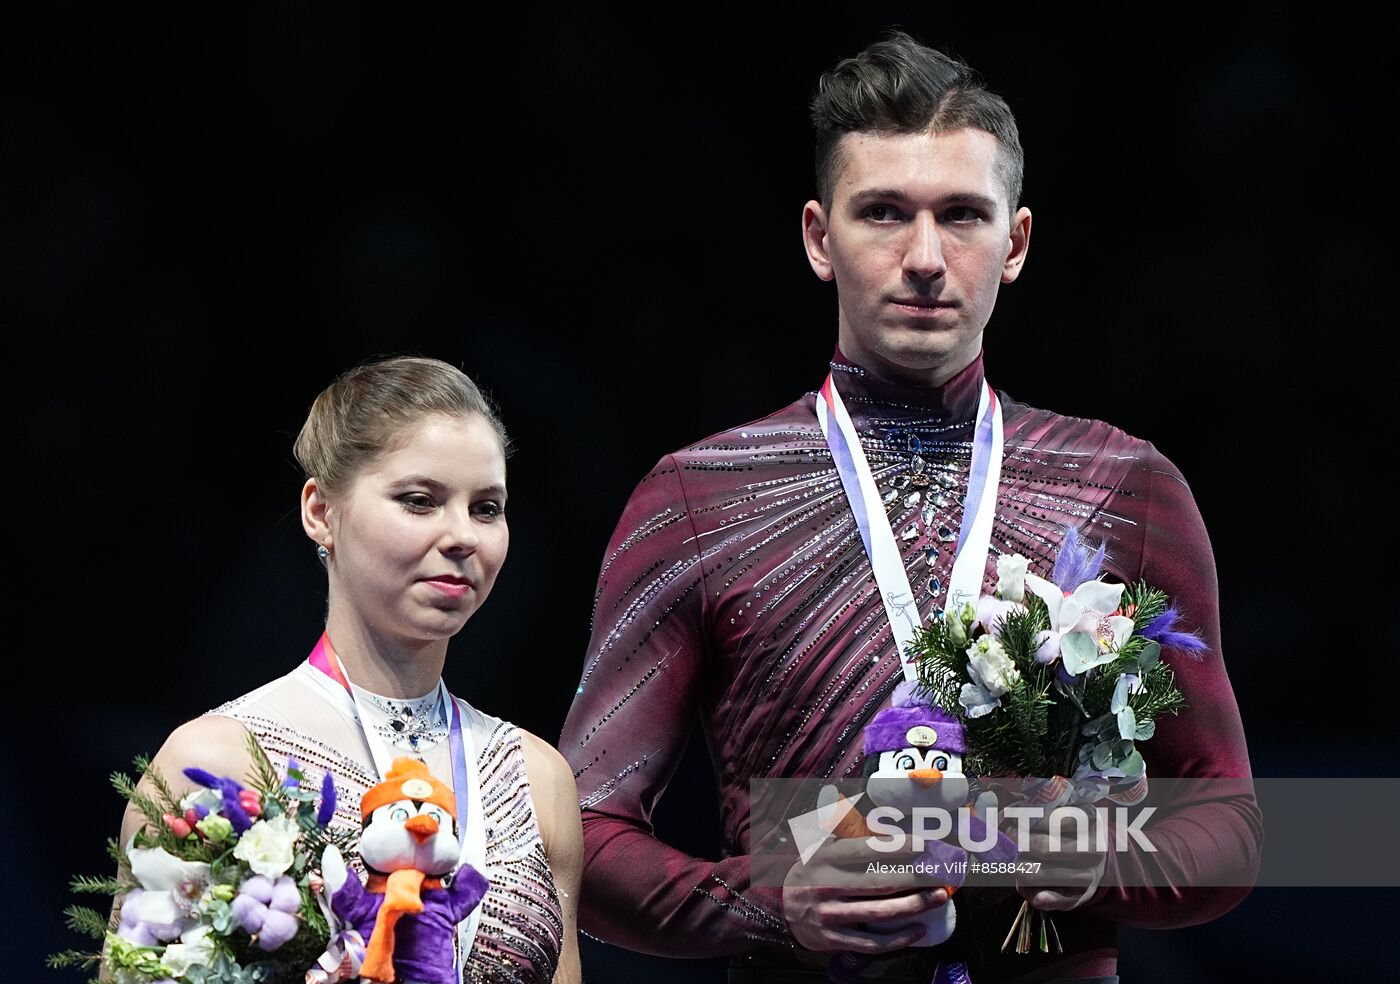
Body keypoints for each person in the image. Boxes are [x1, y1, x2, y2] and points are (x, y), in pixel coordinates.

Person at [559, 32, 1260, 982]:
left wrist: (1081, 851)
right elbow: (582, 835)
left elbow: (1229, 825)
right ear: (818, 237)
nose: (924, 257)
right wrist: (771, 900)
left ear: (1014, 243)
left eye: (962, 216)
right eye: (884, 212)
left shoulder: (1125, 486)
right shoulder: (699, 498)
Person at [118, 356, 583, 983]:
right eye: (420, 501)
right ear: (320, 512)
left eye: (486, 508)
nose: (462, 536)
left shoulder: (538, 781)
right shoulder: (214, 763)